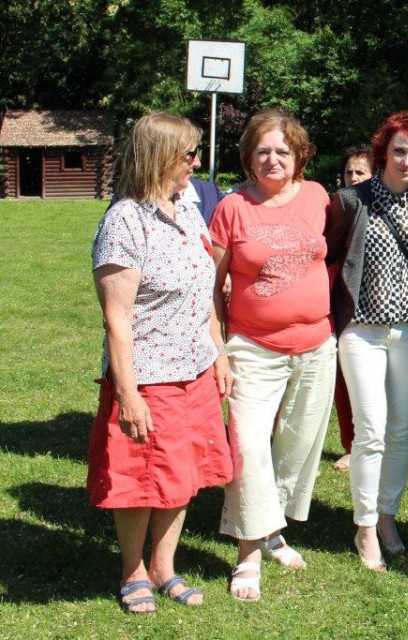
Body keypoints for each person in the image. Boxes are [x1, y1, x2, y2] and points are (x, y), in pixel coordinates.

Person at [87, 112, 232, 614]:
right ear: (159, 157)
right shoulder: (124, 221)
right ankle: (133, 571)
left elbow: (204, 290)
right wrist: (128, 394)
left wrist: (218, 352)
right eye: (188, 154)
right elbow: (117, 319)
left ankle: (164, 568)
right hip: (150, 377)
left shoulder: (185, 209)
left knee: (181, 474)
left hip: (194, 370)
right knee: (141, 479)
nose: (196, 162)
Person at [210, 109, 337, 602]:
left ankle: (271, 528)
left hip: (316, 346)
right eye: (262, 151)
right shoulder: (232, 208)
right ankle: (248, 554)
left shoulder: (319, 196)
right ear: (248, 157)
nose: (272, 159)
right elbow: (210, 285)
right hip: (253, 347)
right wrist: (218, 349)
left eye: (283, 150)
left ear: (299, 155)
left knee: (297, 446)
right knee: (247, 445)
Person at [326, 111, 408, 572]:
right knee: (371, 428)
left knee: (400, 429)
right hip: (362, 329)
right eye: (400, 151)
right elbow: (327, 256)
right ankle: (363, 524)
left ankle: (387, 516)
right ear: (383, 152)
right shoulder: (350, 200)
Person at [331, 144, 374, 474]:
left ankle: (369, 443)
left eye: (361, 172)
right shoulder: (338, 205)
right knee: (342, 378)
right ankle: (351, 444)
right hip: (338, 299)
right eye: (349, 172)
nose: (354, 177)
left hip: (375, 307)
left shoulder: (383, 206)